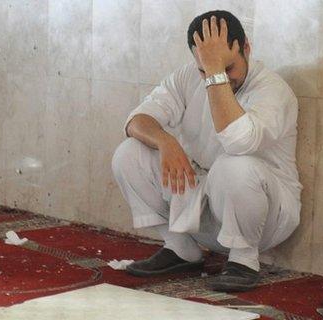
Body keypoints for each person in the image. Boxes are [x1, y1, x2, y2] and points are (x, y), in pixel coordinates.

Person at [111, 10, 302, 292]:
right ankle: (181, 249)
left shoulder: (273, 90)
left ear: (246, 48)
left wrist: (214, 74)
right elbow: (136, 120)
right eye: (205, 69)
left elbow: (238, 142)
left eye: (228, 68)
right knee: (129, 154)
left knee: (234, 164)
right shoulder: (189, 76)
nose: (217, 76)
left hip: (265, 219)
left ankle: (244, 261)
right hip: (204, 213)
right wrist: (167, 142)